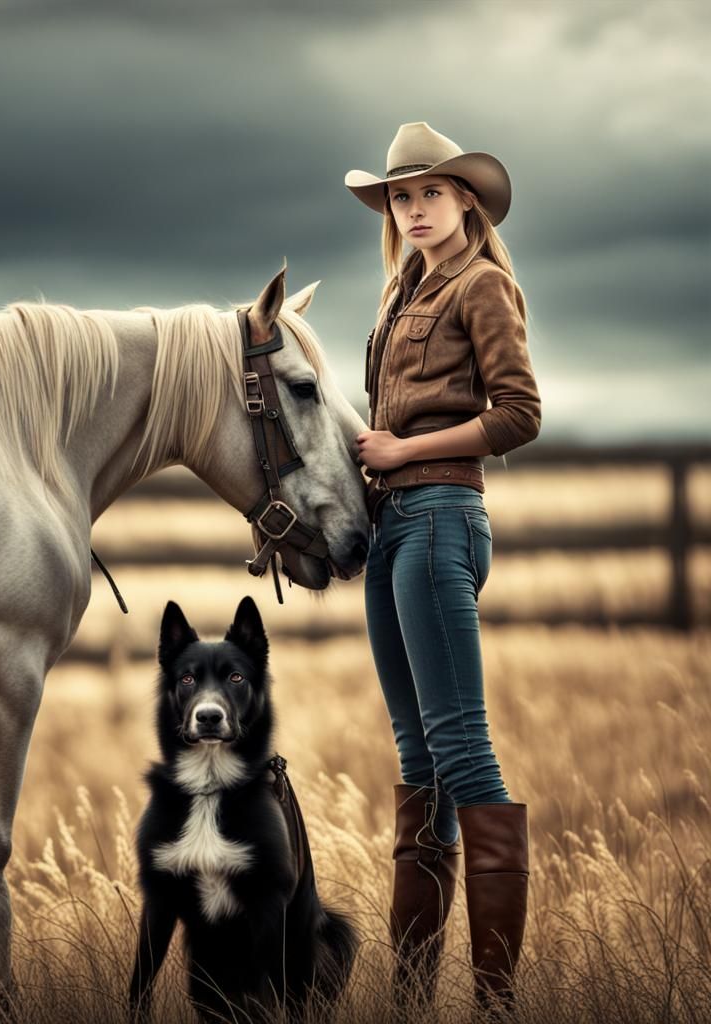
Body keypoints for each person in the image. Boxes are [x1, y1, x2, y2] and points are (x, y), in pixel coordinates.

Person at [344, 121, 541, 1013]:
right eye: (401, 197)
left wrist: (403, 451)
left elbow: (519, 413)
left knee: (462, 752)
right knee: (419, 761)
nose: (415, 209)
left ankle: (494, 1003)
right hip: (394, 526)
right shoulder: (399, 294)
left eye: (431, 193)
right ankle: (412, 999)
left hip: (439, 519)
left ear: (465, 198)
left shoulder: (482, 284)